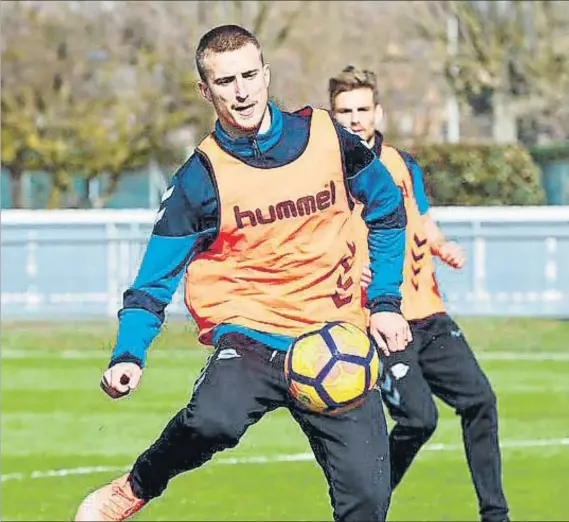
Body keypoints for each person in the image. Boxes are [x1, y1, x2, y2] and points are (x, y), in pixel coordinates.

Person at [74, 27, 413, 522]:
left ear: (266, 74)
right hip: (251, 334)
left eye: (250, 75)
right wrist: (130, 352)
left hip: (336, 336)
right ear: (204, 90)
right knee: (213, 420)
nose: (242, 91)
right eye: (226, 81)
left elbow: (386, 208)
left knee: (367, 501)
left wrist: (384, 301)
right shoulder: (199, 178)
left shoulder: (325, 136)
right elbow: (153, 281)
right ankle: (137, 486)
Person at [329, 65, 510, 522]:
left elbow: (421, 217)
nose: (354, 118)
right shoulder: (326, 173)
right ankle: (366, 508)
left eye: (361, 109)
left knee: (481, 402)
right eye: (344, 110)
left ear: (378, 111)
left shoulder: (402, 164)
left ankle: (496, 515)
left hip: (429, 314)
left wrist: (441, 243)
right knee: (418, 419)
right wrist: (348, 267)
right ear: (332, 115)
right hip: (380, 322)